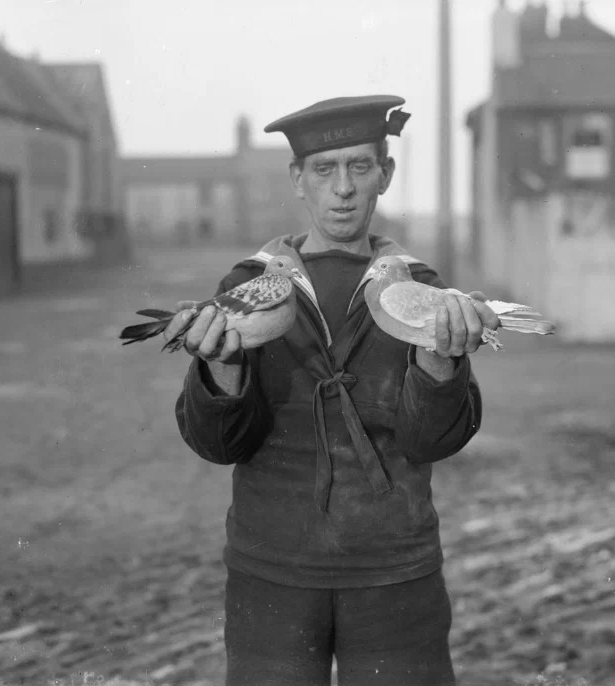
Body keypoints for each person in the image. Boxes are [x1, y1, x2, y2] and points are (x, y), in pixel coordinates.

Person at [165, 95, 500, 686]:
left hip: (395, 567)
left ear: (384, 175)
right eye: (324, 169)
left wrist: (440, 363)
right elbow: (220, 445)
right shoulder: (248, 284)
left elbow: (430, 441)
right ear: (299, 179)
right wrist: (220, 371)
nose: (342, 188)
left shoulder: (421, 288)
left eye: (359, 167)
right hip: (272, 567)